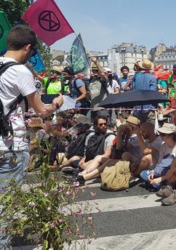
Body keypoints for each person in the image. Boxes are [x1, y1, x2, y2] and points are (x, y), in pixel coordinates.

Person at [0, 25, 64, 248]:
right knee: (5, 204)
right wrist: (57, 102)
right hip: (11, 145)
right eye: (33, 51)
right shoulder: (20, 72)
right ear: (27, 47)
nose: (32, 55)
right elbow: (41, 111)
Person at [139, 123, 176, 190]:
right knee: (143, 173)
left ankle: (158, 184)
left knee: (171, 179)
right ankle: (160, 185)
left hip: (173, 174)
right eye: (160, 133)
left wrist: (160, 179)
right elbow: (160, 163)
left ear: (172, 135)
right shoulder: (163, 146)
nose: (160, 136)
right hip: (162, 172)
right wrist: (153, 172)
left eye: (163, 134)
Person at [75, 115, 115, 186]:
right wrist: (84, 159)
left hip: (106, 160)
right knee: (81, 163)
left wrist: (90, 162)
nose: (104, 126)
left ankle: (83, 177)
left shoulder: (110, 136)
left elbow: (107, 155)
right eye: (101, 124)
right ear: (96, 126)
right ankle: (81, 175)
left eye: (105, 124)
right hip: (96, 159)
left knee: (95, 161)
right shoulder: (94, 134)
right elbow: (88, 150)